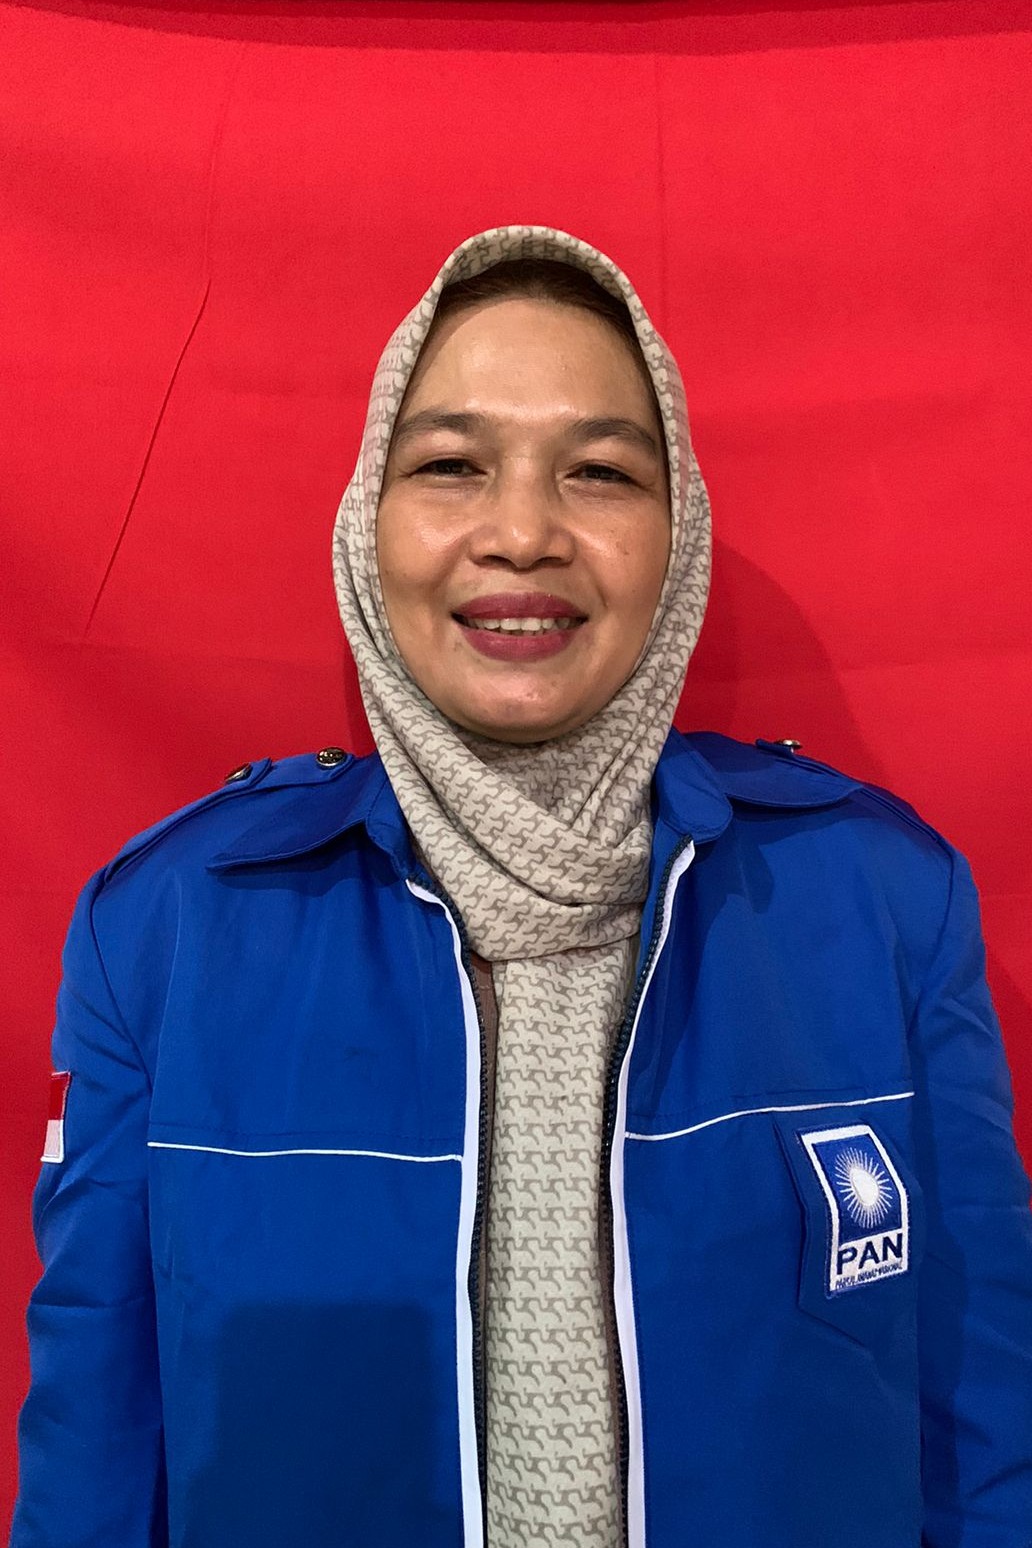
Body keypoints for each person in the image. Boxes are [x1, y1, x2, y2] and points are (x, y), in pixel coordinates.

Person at [10, 224, 1032, 1548]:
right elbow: (95, 1454)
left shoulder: (884, 902)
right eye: (452, 465)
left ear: (678, 535)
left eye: (600, 472)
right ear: (369, 525)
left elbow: (980, 1421)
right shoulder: (169, 929)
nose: (523, 533)